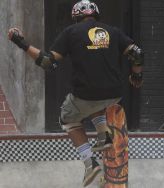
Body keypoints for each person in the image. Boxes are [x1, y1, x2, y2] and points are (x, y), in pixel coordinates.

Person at [7, 0, 143, 186]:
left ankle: (90, 164)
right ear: (95, 14)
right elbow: (137, 53)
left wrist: (21, 43)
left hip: (86, 95)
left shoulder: (71, 32)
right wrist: (136, 76)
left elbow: (48, 63)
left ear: (76, 17)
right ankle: (103, 135)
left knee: (68, 118)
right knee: (95, 103)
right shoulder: (113, 31)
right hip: (114, 94)